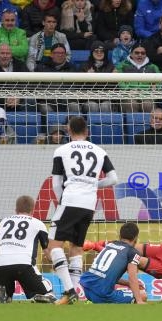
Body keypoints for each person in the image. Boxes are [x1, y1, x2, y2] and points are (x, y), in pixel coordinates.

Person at [48, 116, 118, 305]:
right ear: (87, 132)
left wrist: (63, 200)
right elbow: (113, 179)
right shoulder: (99, 151)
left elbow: (55, 183)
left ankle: (69, 291)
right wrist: (93, 184)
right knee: (76, 248)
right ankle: (74, 294)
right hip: (89, 204)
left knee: (53, 246)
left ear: (69, 131)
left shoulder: (62, 150)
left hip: (70, 199)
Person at [0, 196, 56, 304]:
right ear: (32, 210)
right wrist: (58, 263)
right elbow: (48, 254)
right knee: (49, 293)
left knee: (5, 292)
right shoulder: (38, 224)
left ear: (16, 209)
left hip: (1, 265)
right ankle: (43, 294)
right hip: (24, 265)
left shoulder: (3, 223)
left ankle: (4, 292)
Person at [80, 222, 148, 304]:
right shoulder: (132, 252)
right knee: (143, 295)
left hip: (87, 288)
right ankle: (98, 301)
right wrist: (139, 300)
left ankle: (92, 301)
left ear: (120, 236)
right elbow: (132, 277)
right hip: (103, 293)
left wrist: (127, 284)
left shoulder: (110, 245)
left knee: (103, 288)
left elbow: (107, 274)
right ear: (136, 238)